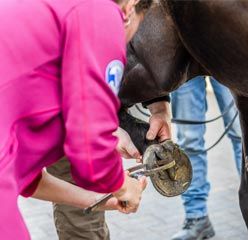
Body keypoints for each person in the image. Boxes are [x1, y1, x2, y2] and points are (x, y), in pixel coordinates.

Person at [0, 0, 155, 239]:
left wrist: (98, 200)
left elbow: (29, 180)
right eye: (135, 33)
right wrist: (125, 187)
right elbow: (91, 151)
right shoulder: (100, 11)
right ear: (130, 7)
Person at [170, 76, 248, 240]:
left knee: (244, 136)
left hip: (224, 57)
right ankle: (196, 217)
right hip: (187, 57)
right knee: (189, 140)